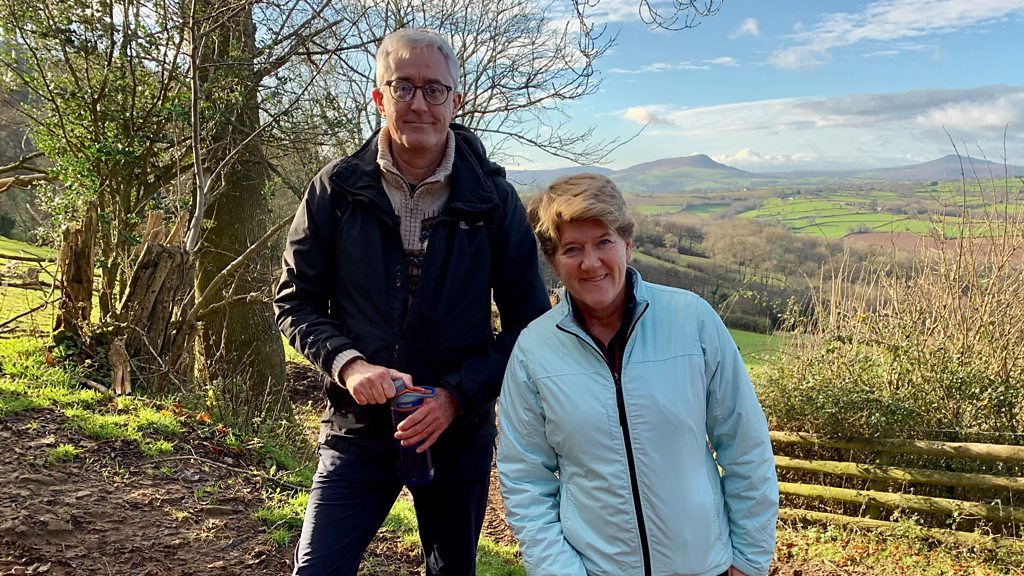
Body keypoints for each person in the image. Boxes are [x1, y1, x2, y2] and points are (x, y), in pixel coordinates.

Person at [274, 28, 550, 576]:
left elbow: (530, 325)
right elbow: (294, 301)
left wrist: (455, 398)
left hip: (457, 437)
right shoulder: (336, 190)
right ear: (380, 97)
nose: (419, 103)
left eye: (434, 89)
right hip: (357, 428)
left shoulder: (493, 201)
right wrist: (349, 365)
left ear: (456, 100)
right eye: (403, 87)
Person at [497, 173, 778, 576]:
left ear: (627, 244)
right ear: (554, 262)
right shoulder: (534, 350)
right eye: (572, 249)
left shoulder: (692, 320)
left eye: (603, 242)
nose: (590, 262)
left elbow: (745, 444)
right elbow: (525, 479)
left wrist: (749, 560)